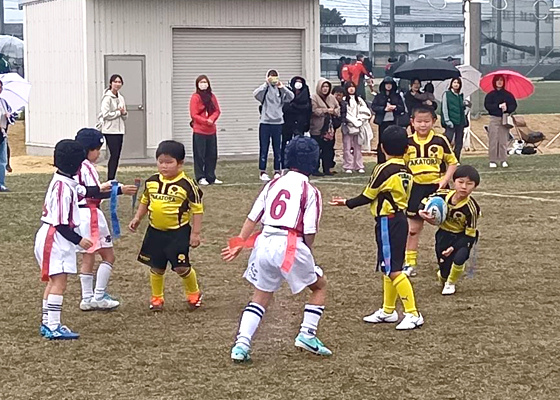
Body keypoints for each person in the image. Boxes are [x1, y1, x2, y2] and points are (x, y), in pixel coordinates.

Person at [222, 136, 332, 362]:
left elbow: (253, 216)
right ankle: (307, 334)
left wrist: (240, 243)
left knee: (260, 296)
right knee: (319, 286)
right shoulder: (310, 191)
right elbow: (309, 230)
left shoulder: (272, 183)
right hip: (290, 245)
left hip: (264, 243)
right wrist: (306, 255)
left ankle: (241, 344)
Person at [329, 126, 424, 330]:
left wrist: (347, 202)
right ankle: (388, 310)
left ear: (382, 147)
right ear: (407, 149)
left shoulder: (383, 168)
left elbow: (369, 195)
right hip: (399, 219)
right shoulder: (407, 170)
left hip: (388, 221)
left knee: (394, 270)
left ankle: (413, 313)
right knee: (388, 267)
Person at [129, 140, 204, 312]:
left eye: (169, 162)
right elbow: (145, 200)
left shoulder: (188, 185)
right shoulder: (151, 182)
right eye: (160, 162)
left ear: (180, 163)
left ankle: (194, 294)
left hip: (178, 233)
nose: (164, 166)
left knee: (181, 267)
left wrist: (196, 233)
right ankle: (156, 299)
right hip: (155, 232)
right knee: (156, 266)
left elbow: (197, 209)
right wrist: (137, 218)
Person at [74, 128, 138, 311]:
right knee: (108, 256)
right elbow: (93, 195)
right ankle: (99, 295)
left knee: (88, 256)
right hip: (91, 215)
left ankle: (87, 298)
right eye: (98, 149)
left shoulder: (75, 167)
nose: (99, 153)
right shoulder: (88, 168)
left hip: (80, 216)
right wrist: (119, 191)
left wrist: (103, 187)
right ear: (90, 149)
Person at [34, 140, 91, 339]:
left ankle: (47, 322)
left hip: (52, 235)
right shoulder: (63, 188)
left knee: (53, 281)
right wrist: (79, 240)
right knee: (59, 282)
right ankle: (53, 326)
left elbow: (84, 191)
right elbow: (60, 223)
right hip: (55, 238)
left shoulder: (63, 180)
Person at [403, 107, 459, 277]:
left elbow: (452, 162)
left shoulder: (441, 140)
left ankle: (446, 262)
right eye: (419, 121)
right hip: (416, 189)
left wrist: (445, 180)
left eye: (426, 121)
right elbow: (401, 165)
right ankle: (409, 263)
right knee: (413, 228)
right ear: (412, 122)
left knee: (447, 228)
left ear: (433, 121)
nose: (422, 125)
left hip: (438, 189)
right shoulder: (407, 143)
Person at [419, 165, 481, 296]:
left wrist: (454, 247)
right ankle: (444, 277)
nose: (464, 187)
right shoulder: (442, 195)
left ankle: (451, 283)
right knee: (444, 269)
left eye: (469, 184)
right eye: (461, 182)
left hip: (463, 237)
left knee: (460, 257)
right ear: (453, 182)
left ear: (475, 187)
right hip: (443, 235)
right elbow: (424, 202)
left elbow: (470, 235)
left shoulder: (472, 208)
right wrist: (421, 212)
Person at [254, 70, 294, 181]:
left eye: (275, 77)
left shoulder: (280, 89)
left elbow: (291, 97)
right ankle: (262, 171)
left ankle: (277, 170)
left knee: (277, 148)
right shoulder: (265, 89)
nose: (273, 79)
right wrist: (265, 84)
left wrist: (282, 87)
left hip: (278, 123)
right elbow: (256, 94)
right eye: (271, 77)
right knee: (264, 148)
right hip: (265, 122)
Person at [190, 75, 222, 186]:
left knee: (212, 154)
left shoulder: (212, 97)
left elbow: (217, 110)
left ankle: (211, 176)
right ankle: (200, 177)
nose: (203, 84)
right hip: (199, 131)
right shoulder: (195, 97)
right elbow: (194, 114)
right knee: (200, 155)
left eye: (205, 82)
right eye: (201, 82)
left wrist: (212, 119)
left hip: (211, 131)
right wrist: (205, 121)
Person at [484, 75, 517, 168]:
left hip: (504, 119)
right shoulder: (490, 95)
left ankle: (503, 160)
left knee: (503, 140)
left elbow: (513, 105)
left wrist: (507, 108)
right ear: (494, 82)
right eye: (497, 80)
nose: (499, 82)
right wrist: (497, 106)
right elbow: (487, 106)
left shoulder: (508, 95)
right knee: (493, 140)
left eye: (501, 80)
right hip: (494, 118)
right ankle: (492, 160)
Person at [371, 76, 405, 163]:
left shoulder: (397, 96)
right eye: (387, 84)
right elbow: (374, 107)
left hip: (394, 121)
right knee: (382, 141)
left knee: (394, 140)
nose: (388, 86)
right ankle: (381, 161)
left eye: (390, 84)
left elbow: (402, 108)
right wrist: (384, 109)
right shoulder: (379, 96)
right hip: (383, 122)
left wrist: (395, 107)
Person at [310, 78, 340, 176]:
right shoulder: (314, 97)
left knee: (328, 150)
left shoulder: (332, 98)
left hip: (329, 129)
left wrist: (334, 111)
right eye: (323, 86)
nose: (325, 88)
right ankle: (315, 169)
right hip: (317, 128)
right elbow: (314, 111)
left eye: (327, 86)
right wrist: (326, 110)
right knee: (316, 149)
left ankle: (327, 168)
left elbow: (338, 108)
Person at [100, 74, 128, 181]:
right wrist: (118, 113)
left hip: (119, 130)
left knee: (117, 156)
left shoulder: (121, 98)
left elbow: (124, 116)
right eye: (115, 82)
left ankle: (113, 177)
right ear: (111, 83)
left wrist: (124, 113)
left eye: (119, 82)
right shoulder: (107, 98)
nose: (117, 84)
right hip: (110, 130)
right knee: (113, 154)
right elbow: (105, 114)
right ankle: (110, 178)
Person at [281, 76, 311, 167]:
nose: (298, 84)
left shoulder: (306, 96)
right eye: (296, 82)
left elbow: (307, 109)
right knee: (286, 144)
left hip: (300, 124)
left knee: (299, 145)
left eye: (300, 82)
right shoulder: (288, 94)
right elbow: (285, 108)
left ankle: (298, 164)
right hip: (287, 124)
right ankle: (284, 163)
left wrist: (307, 124)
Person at [342, 81, 370, 174]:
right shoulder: (344, 100)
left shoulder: (359, 100)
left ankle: (359, 165)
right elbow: (345, 114)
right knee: (347, 147)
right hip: (347, 126)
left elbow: (365, 111)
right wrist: (353, 121)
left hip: (359, 127)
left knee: (358, 147)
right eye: (349, 87)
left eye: (353, 87)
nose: (351, 89)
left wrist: (359, 121)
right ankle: (348, 165)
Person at [441, 77, 467, 161]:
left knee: (459, 142)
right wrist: (447, 120)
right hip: (451, 122)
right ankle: (445, 159)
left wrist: (466, 106)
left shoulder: (460, 96)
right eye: (454, 82)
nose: (456, 84)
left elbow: (463, 111)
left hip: (460, 122)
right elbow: (444, 108)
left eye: (458, 83)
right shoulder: (447, 94)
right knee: (448, 141)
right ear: (451, 84)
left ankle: (456, 160)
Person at [0, 81, 12, 192]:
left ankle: (1, 183)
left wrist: (9, 116)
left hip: (2, 134)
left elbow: (10, 118)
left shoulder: (3, 102)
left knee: (2, 160)